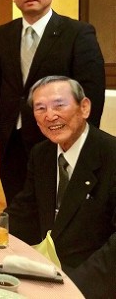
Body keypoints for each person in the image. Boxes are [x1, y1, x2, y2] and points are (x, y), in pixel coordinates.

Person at [0, 0, 105, 205]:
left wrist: (82, 139)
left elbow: (91, 92)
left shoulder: (77, 33)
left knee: (55, 202)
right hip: (12, 137)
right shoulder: (2, 34)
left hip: (57, 136)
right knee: (17, 201)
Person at [7, 76, 116, 298]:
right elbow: (24, 211)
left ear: (84, 108)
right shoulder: (42, 154)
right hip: (46, 267)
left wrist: (72, 287)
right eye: (40, 108)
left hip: (91, 278)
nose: (50, 116)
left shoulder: (111, 156)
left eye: (59, 105)